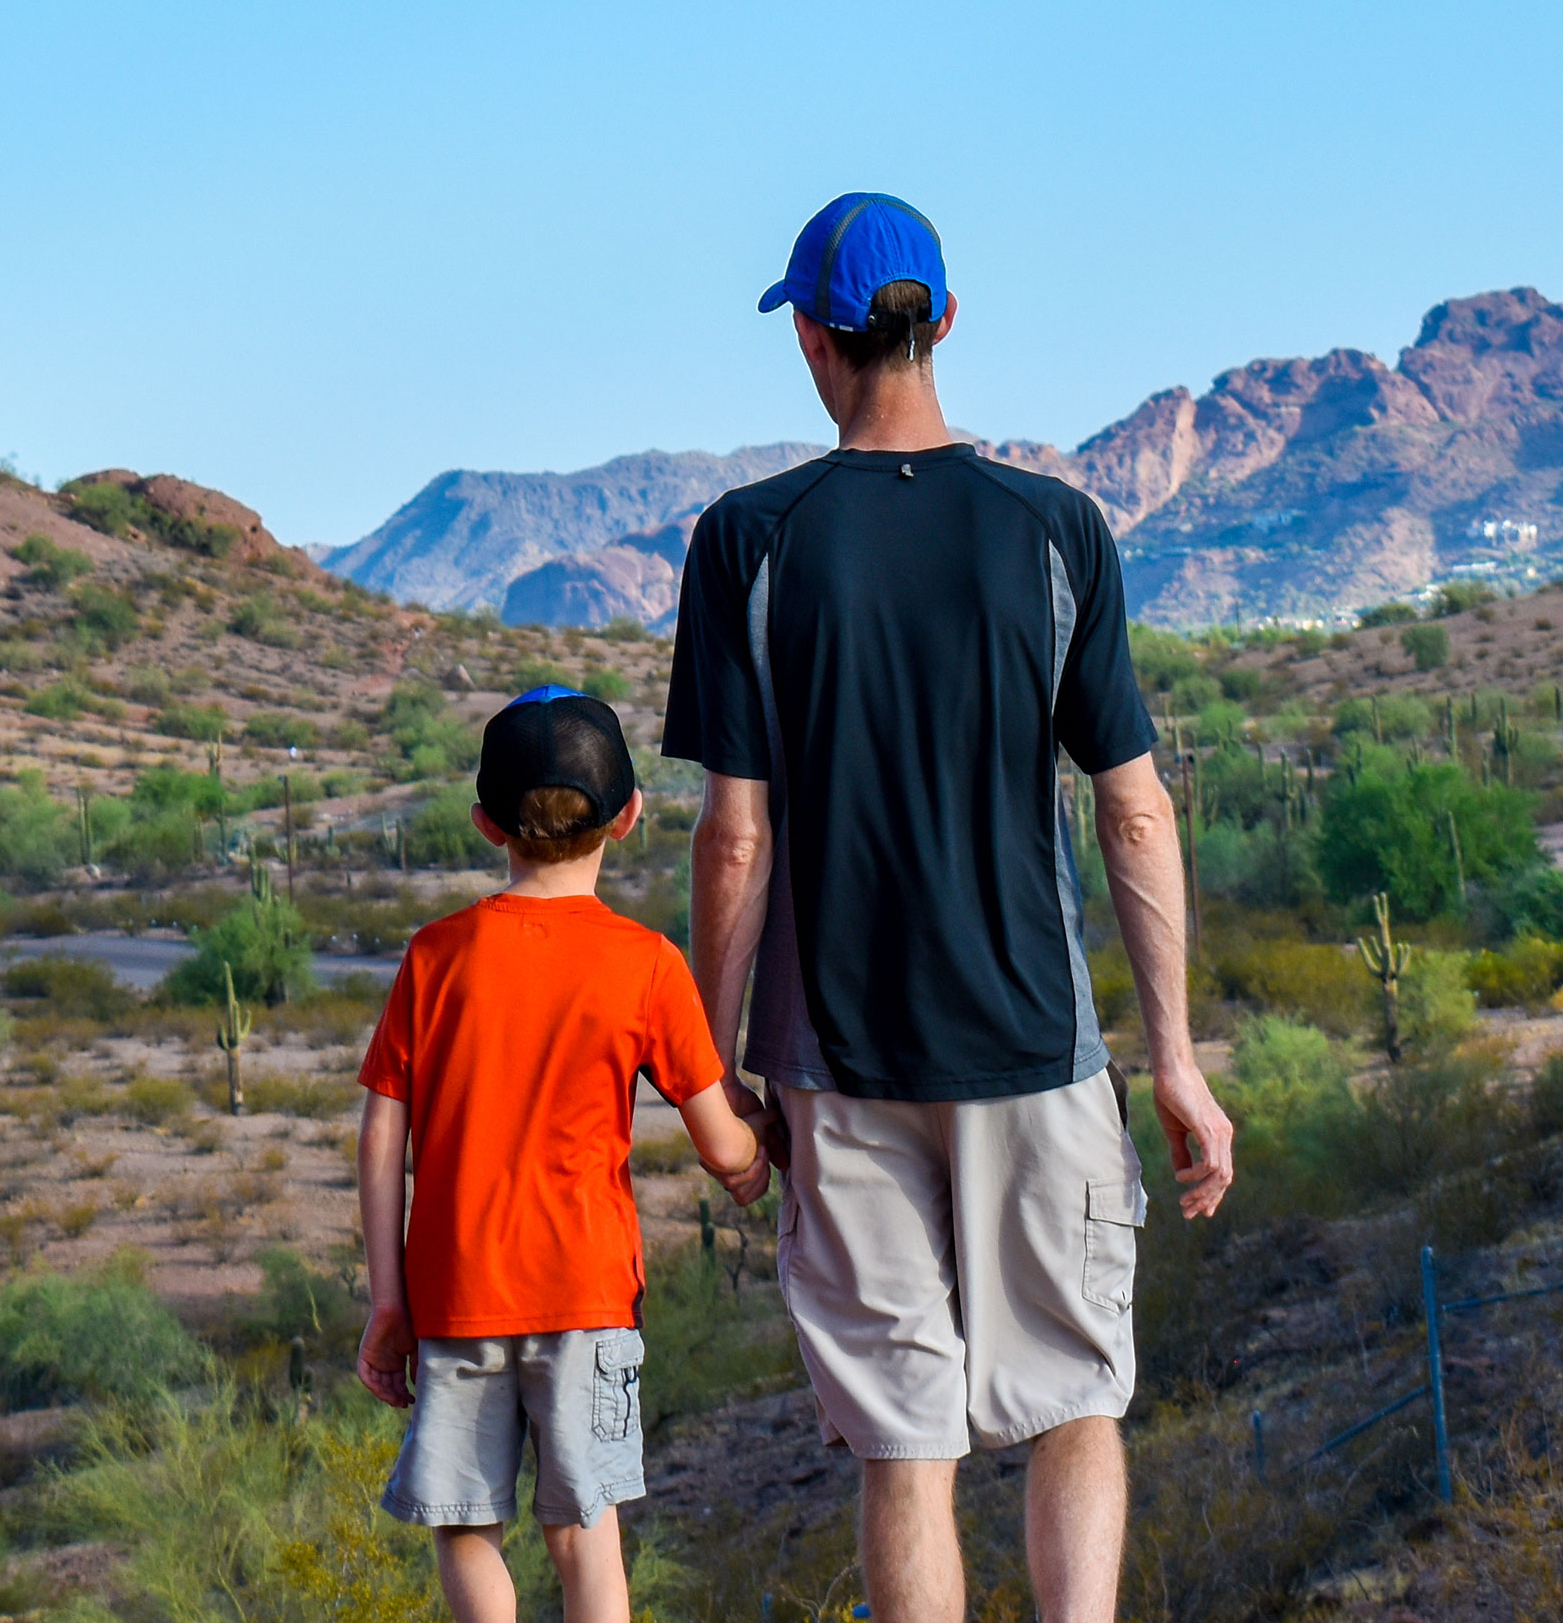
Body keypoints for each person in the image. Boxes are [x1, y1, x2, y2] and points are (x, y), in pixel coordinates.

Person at [664, 193, 1236, 1623]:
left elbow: (735, 842)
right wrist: (1173, 1058)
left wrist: (713, 1073)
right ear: (948, 323)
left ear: (812, 337)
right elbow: (1134, 805)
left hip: (840, 1067)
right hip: (1036, 1047)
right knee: (1073, 1404)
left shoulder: (751, 540)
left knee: (903, 1446)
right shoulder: (1057, 529)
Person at [354, 688, 772, 1623]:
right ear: (626, 816)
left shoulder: (435, 957)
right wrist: (753, 1159)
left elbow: (384, 1133)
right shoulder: (648, 964)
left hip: (457, 1295)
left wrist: (390, 1299)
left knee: (465, 1527)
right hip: (584, 1294)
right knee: (585, 1533)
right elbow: (717, 1135)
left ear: (484, 824)